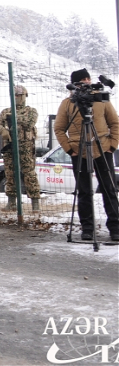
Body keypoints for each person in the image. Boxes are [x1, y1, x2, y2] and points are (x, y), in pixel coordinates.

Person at [54, 68, 119, 241]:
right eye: (82, 81)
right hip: (79, 151)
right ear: (74, 85)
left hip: (102, 149)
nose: (86, 83)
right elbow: (59, 129)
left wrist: (112, 146)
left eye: (87, 79)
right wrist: (70, 149)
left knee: (109, 189)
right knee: (83, 191)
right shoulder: (68, 103)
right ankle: (87, 228)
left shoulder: (101, 100)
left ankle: (115, 228)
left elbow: (115, 123)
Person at [0, 85, 41, 211]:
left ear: (24, 96)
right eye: (14, 95)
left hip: (25, 145)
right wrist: (3, 130)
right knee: (10, 173)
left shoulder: (31, 111)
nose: (16, 98)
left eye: (19, 95)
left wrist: (13, 117)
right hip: (9, 145)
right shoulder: (5, 111)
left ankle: (35, 204)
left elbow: (29, 122)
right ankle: (12, 203)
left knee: (29, 173)